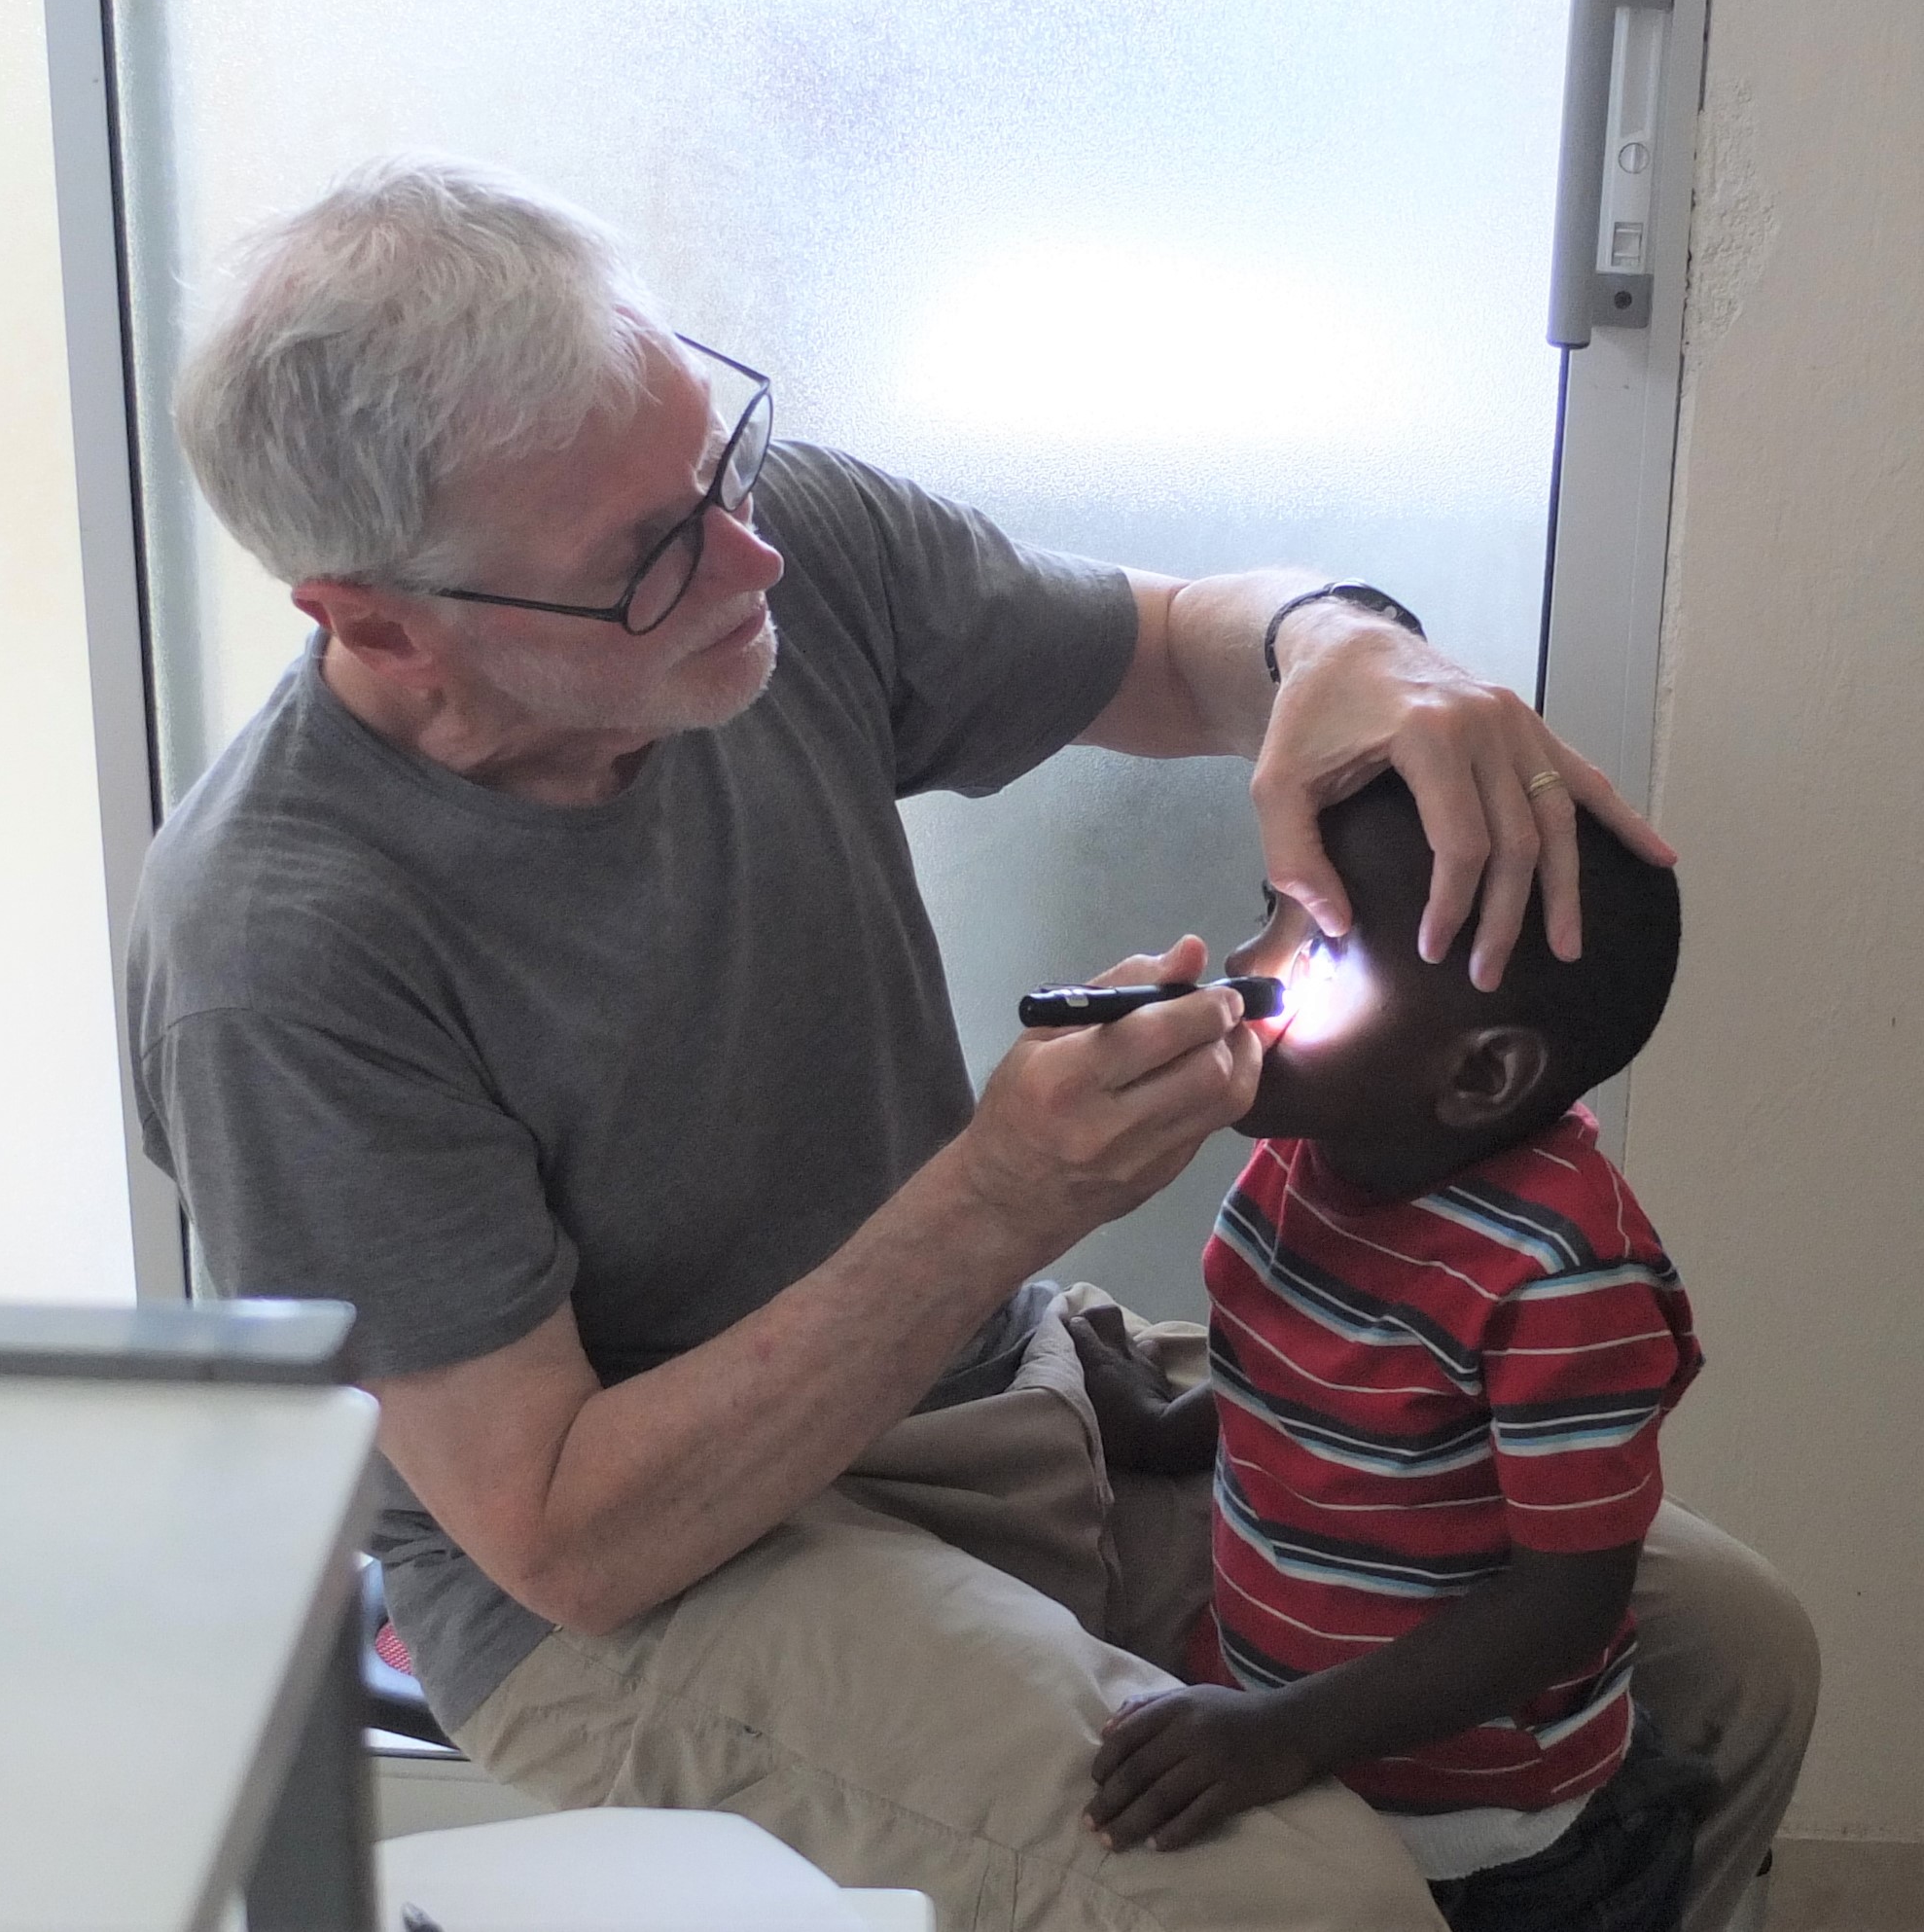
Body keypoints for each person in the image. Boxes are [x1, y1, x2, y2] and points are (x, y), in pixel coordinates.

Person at [129, 156, 1814, 1931]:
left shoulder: (768, 565)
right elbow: (564, 1530)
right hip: (644, 1574)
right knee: (1291, 1901)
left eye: (722, 459)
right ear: (379, 623)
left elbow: (1174, 646)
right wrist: (1001, 1199)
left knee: (1733, 1659)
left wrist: (1344, 642)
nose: (753, 555)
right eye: (647, 556)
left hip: (990, 1391)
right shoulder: (285, 950)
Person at [1073, 771, 1716, 1928]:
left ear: (1476, 1073)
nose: (1240, 963)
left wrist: (1287, 1731)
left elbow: (1564, 1600)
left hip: (1494, 1842)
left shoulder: (1561, 1273)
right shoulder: (1314, 1148)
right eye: (1263, 906)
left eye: (1313, 952)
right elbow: (1306, 1367)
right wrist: (1166, 1426)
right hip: (1293, 1740)